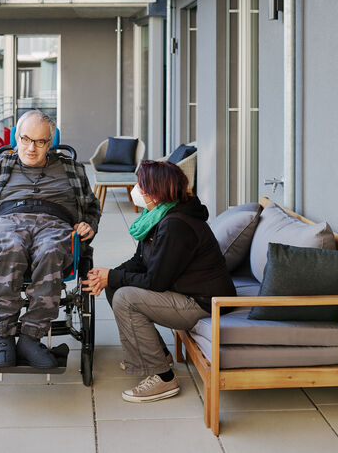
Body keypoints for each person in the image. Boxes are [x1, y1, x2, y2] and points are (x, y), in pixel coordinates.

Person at [82, 160, 235, 402]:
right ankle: (156, 356)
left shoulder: (176, 225)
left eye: (141, 186)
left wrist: (112, 276)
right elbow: (140, 261)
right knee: (115, 285)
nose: (137, 190)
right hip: (184, 291)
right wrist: (107, 275)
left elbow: (156, 281)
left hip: (202, 302)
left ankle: (163, 377)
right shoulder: (159, 215)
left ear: (156, 191)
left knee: (125, 297)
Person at [0, 110, 101, 369]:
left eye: (40, 142)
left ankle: (30, 337)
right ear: (16, 137)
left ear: (50, 142)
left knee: (51, 251)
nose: (31, 148)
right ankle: (2, 336)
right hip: (6, 222)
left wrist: (88, 225)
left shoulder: (72, 169)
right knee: (11, 246)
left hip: (54, 224)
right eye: (25, 139)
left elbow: (92, 208)